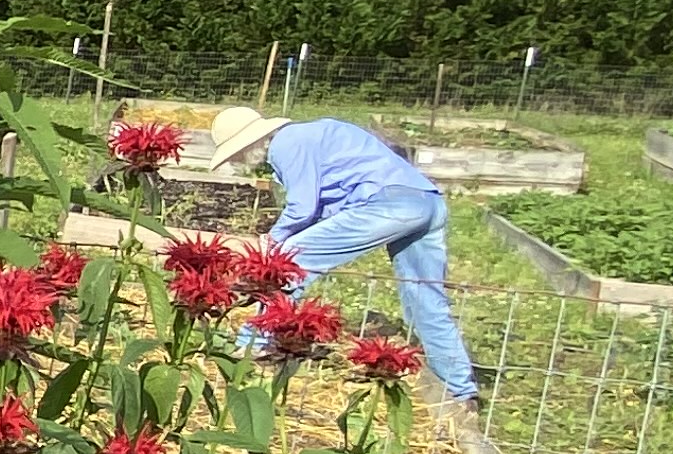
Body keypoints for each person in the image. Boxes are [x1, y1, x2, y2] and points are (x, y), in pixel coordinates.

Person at [203, 104, 479, 405]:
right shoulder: (314, 134)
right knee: (425, 298)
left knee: (286, 263)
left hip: (387, 205)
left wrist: (273, 240)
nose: (242, 161)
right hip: (427, 202)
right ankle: (460, 389)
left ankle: (252, 344)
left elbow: (302, 207)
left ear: (251, 144)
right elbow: (326, 207)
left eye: (237, 154)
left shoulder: (286, 143)